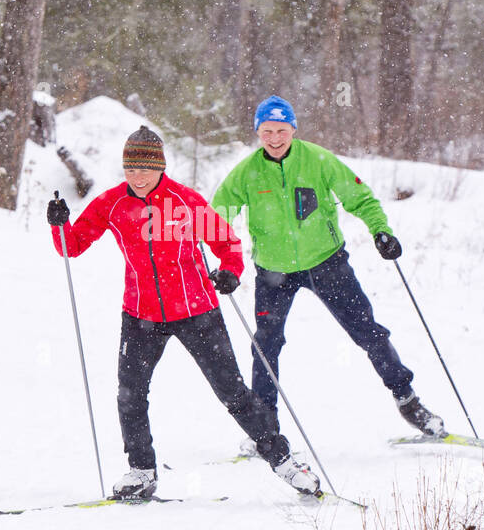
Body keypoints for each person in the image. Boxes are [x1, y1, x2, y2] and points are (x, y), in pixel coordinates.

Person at [47, 125, 320, 499]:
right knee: (130, 394)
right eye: (131, 168)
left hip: (197, 312)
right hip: (140, 315)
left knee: (232, 393)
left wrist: (229, 273)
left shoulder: (185, 201)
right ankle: (141, 471)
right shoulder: (111, 203)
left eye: (145, 168)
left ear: (161, 167)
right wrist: (58, 224)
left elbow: (227, 243)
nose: (138, 176)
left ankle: (285, 460)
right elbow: (72, 246)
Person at [210, 95, 446, 439]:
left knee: (368, 331)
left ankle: (408, 400)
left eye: (281, 130)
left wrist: (381, 232)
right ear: (258, 133)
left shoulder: (319, 160)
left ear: (293, 129)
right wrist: (222, 263)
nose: (274, 138)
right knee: (266, 344)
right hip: (273, 272)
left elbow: (360, 198)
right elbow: (216, 220)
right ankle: (264, 426)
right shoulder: (246, 173)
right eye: (266, 132)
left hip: (327, 263)